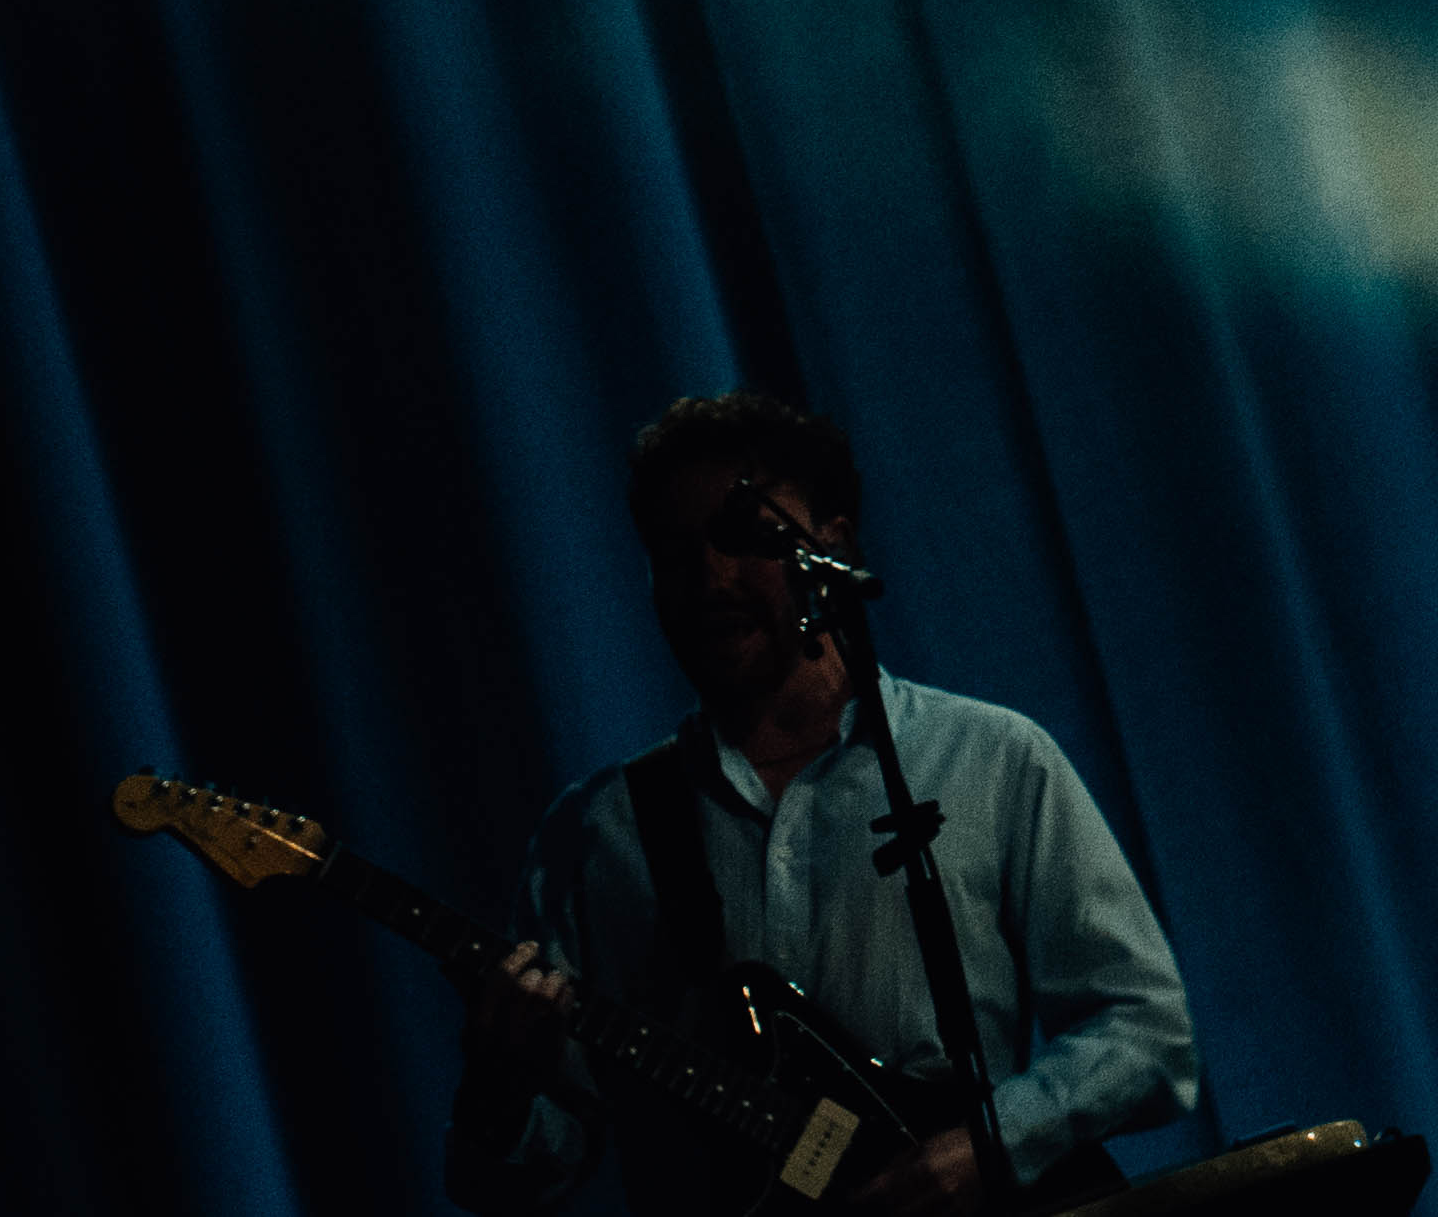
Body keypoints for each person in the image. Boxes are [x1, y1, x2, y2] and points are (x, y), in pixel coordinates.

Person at [447, 391, 1198, 1215]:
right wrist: (498, 1086)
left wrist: (985, 1148)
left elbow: (1145, 1030)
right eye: (673, 550)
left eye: (742, 538)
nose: (710, 577)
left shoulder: (991, 757)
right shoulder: (596, 834)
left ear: (831, 543)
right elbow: (522, 1178)